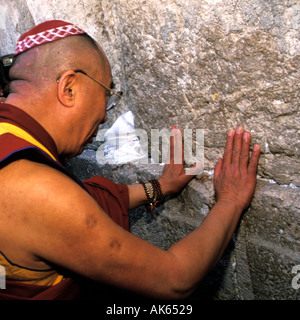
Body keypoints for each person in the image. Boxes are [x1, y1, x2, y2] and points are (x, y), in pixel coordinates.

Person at [0, 20, 261, 300]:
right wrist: (231, 201)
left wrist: (162, 186)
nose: (103, 116)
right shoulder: (33, 187)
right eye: (106, 94)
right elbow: (175, 278)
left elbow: (82, 204)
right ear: (69, 89)